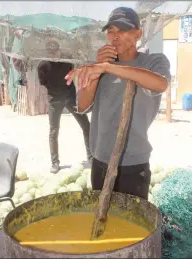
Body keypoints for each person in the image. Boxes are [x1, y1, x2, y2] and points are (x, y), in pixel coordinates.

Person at [65, 7, 171, 200]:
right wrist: (98, 72)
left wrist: (109, 67)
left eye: (122, 30)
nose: (115, 36)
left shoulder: (153, 62)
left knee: (133, 227)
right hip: (100, 160)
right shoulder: (99, 67)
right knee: (103, 222)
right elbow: (82, 105)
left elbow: (160, 83)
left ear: (138, 34)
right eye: (111, 31)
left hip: (133, 162)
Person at [37, 40, 91, 174]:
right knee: (53, 131)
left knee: (86, 125)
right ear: (47, 53)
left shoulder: (66, 61)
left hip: (71, 98)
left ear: (59, 51)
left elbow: (72, 75)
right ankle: (55, 163)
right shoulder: (42, 66)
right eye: (50, 53)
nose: (53, 55)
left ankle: (91, 157)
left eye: (55, 52)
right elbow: (43, 82)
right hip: (54, 101)